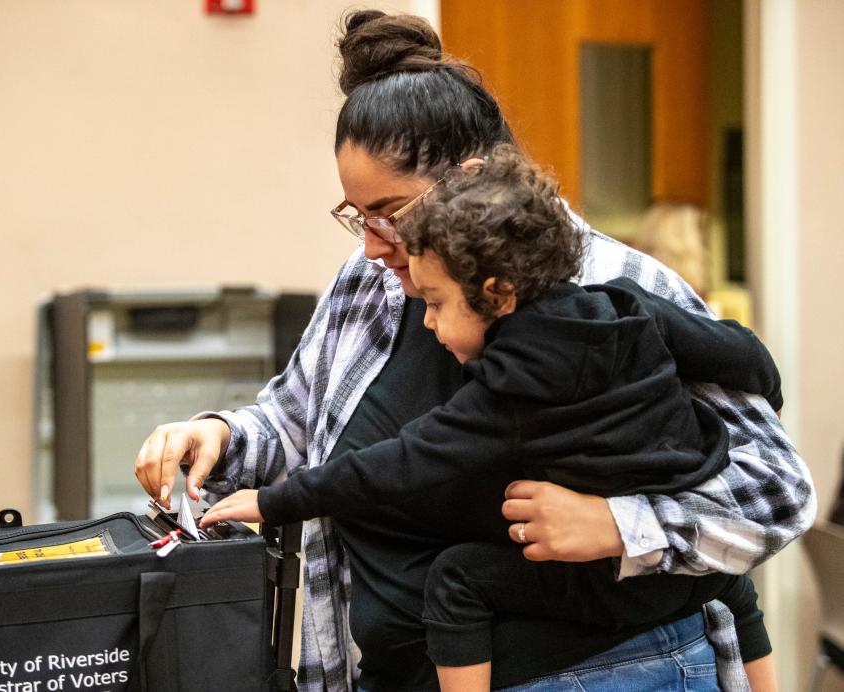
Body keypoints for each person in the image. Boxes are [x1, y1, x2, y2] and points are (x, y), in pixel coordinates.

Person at [133, 10, 814, 691]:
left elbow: (777, 493)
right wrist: (219, 435)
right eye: (356, 215)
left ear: (473, 179)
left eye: (389, 215)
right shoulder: (369, 279)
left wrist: (618, 523)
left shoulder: (614, 290)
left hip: (600, 670)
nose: (370, 244)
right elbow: (293, 422)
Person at [200, 145, 782, 692]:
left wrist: (274, 502)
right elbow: (742, 353)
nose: (426, 322)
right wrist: (770, 394)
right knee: (730, 581)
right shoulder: (622, 302)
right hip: (679, 527)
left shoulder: (514, 388)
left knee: (458, 580)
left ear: (499, 293)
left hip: (607, 577)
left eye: (433, 303)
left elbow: (404, 460)